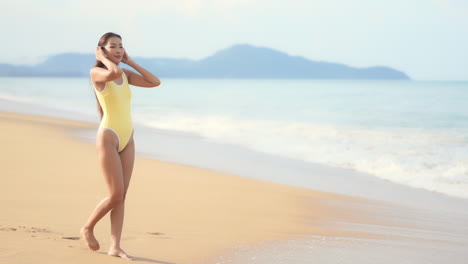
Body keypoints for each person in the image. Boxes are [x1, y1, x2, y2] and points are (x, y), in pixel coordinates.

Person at [80, 32, 161, 260]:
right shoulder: (96, 72)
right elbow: (112, 72)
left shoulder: (124, 73)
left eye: (121, 46)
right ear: (101, 49)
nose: (118, 50)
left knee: (122, 195)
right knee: (115, 195)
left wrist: (130, 62)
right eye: (112, 46)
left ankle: (115, 246)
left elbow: (155, 82)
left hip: (128, 137)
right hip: (108, 136)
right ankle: (88, 227)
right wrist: (104, 59)